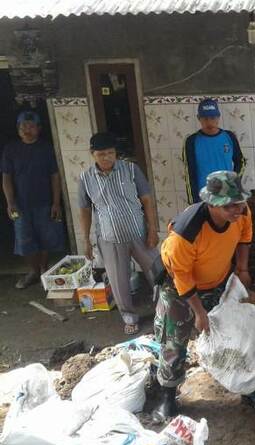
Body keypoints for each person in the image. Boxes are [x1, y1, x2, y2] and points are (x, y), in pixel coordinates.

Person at [151, 170, 255, 421]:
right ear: (212, 204)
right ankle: (167, 395)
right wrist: (199, 313)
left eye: (239, 202)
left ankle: (249, 387)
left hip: (219, 281)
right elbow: (182, 278)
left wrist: (242, 269)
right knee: (174, 341)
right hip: (178, 290)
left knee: (238, 333)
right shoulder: (185, 233)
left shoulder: (242, 212)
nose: (237, 210)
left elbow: (244, 238)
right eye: (230, 206)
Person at [78, 132, 159, 335]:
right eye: (101, 154)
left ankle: (165, 308)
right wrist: (86, 240)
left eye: (110, 153)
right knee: (118, 281)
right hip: (109, 238)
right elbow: (85, 210)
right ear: (92, 154)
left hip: (138, 232)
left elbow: (147, 199)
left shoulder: (131, 169)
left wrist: (152, 229)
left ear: (116, 153)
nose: (107, 157)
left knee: (157, 270)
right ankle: (130, 317)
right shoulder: (86, 178)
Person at [1, 111, 64, 289]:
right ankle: (34, 271)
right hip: (20, 205)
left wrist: (56, 202)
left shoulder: (46, 148)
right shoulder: (11, 149)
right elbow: (6, 177)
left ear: (39, 128)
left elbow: (55, 176)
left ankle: (44, 269)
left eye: (30, 126)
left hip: (45, 203)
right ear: (18, 129)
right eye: (23, 127)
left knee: (46, 238)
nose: (26, 130)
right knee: (24, 241)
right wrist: (10, 202)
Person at [183, 98, 244, 203]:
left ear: (218, 117)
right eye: (205, 118)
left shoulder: (229, 137)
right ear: (199, 118)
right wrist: (193, 203)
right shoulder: (191, 141)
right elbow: (189, 174)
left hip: (227, 195)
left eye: (212, 117)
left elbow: (240, 162)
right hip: (204, 198)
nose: (209, 122)